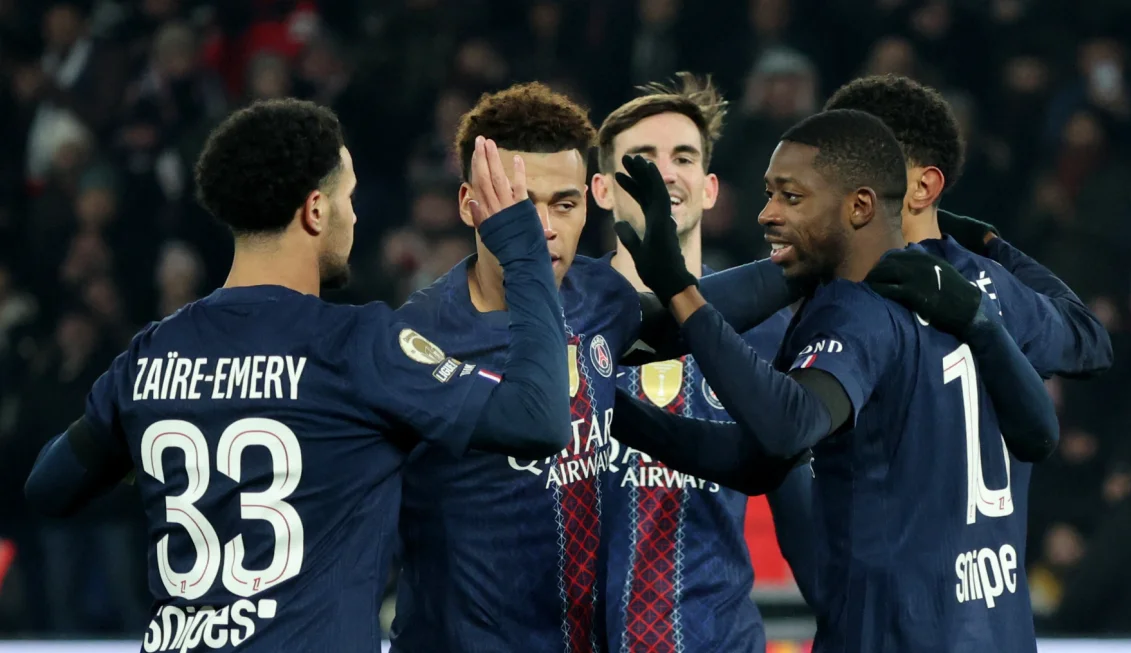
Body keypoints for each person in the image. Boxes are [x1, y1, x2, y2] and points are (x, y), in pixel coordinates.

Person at [24, 98, 573, 652]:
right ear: (315, 210)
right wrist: (524, 254)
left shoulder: (151, 354)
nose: (355, 217)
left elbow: (49, 488)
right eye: (348, 198)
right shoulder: (354, 347)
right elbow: (538, 420)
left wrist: (160, 450)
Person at [613, 109, 1057, 652]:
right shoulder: (970, 293)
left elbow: (787, 427)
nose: (766, 215)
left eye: (791, 198)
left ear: (860, 205)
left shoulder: (857, 309)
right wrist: (615, 414)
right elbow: (761, 460)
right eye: (769, 193)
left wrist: (681, 292)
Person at [390, 82, 796, 653]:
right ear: (468, 204)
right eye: (520, 205)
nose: (545, 229)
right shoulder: (418, 340)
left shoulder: (595, 296)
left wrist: (813, 261)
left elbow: (690, 317)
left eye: (563, 203)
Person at [590, 72, 799, 652]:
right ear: (602, 190)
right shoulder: (561, 324)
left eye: (682, 156)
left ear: (709, 188)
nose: (663, 172)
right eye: (641, 159)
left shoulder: (767, 331)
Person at [823, 74, 1113, 379]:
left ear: (924, 186)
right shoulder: (988, 282)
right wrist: (989, 245)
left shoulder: (827, 290)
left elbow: (1088, 339)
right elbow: (1087, 338)